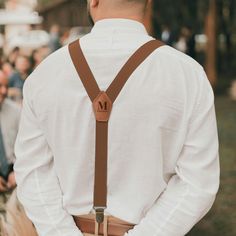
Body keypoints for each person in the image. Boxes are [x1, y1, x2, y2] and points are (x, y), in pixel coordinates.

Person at [14, 0, 220, 236]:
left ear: (93, 1)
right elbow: (197, 184)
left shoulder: (45, 74)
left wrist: (61, 232)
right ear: (148, 2)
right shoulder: (187, 74)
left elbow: (32, 172)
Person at [0, 70, 21, 210]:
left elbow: (25, 147)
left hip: (13, 179)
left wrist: (17, 171)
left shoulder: (16, 111)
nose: (4, 91)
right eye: (0, 86)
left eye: (6, 86)